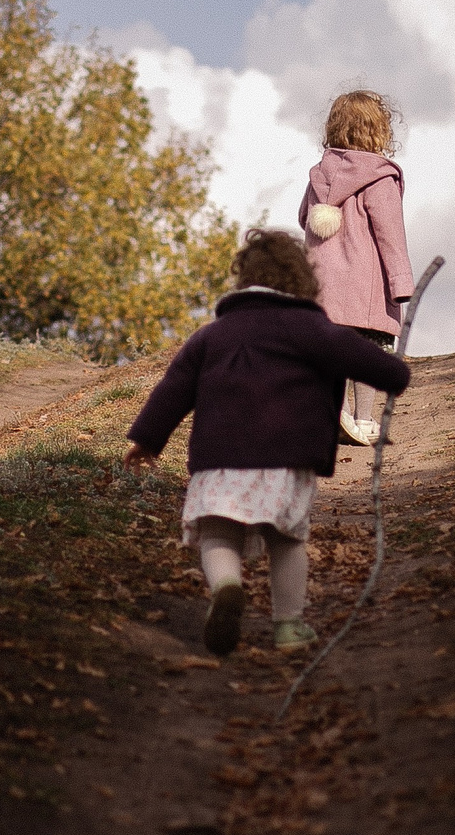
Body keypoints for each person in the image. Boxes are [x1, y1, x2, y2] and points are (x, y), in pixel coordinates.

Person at [123, 228, 411, 656]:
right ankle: (288, 626)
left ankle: (226, 586)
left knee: (218, 531)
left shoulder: (212, 335)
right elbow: (362, 358)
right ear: (301, 282)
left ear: (244, 282)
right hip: (286, 458)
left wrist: (146, 440)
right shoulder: (311, 328)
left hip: (219, 458)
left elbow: (173, 389)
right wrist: (396, 375)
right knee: (287, 539)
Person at [299, 89, 414, 443]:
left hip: (322, 283)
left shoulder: (319, 175)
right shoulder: (380, 179)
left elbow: (304, 218)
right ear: (379, 131)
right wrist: (400, 282)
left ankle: (338, 409)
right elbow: (390, 235)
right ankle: (363, 420)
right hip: (365, 284)